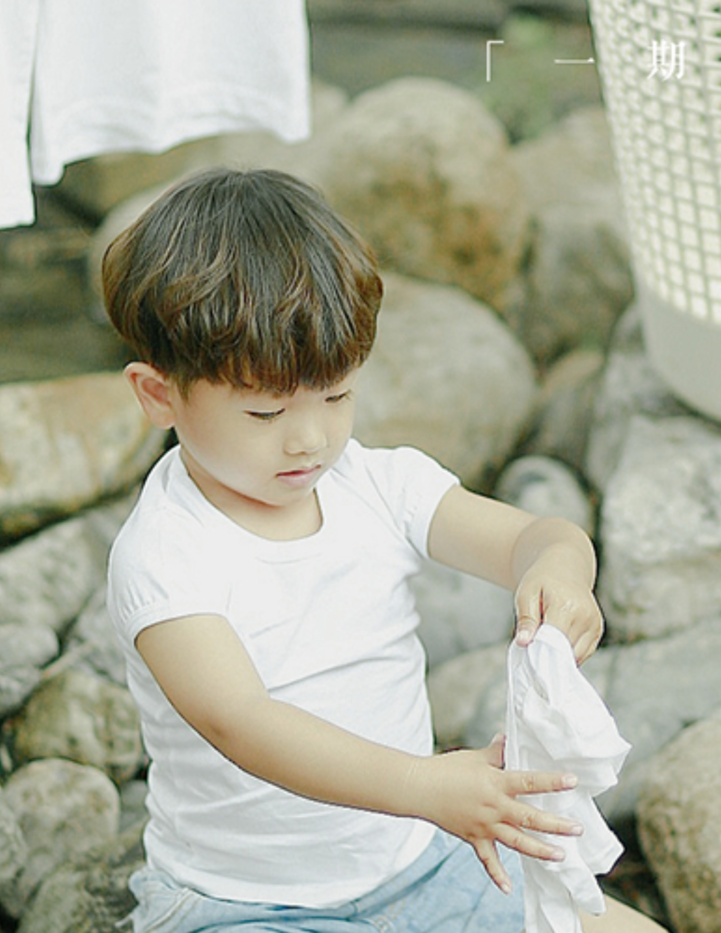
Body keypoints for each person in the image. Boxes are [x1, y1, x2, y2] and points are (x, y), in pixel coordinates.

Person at [102, 167, 665, 933]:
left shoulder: (377, 485)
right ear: (159, 394)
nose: (310, 438)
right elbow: (243, 721)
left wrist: (560, 572)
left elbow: (536, 535)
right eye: (265, 411)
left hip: (424, 863)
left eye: (336, 395)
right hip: (246, 903)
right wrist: (427, 787)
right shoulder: (166, 554)